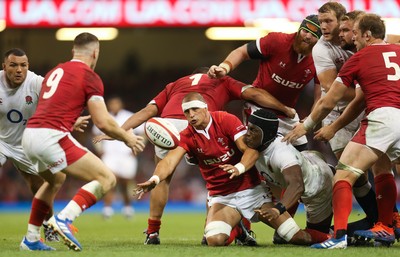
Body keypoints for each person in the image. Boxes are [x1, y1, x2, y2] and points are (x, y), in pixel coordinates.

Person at [94, 67, 296, 245]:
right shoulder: (221, 79)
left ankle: (153, 231)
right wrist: (285, 109)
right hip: (204, 124)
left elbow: (148, 111)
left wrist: (119, 132)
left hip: (169, 127)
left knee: (163, 177)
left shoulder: (175, 84)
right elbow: (254, 94)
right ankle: (233, 225)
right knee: (224, 168)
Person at [134, 92, 314, 246]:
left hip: (252, 192)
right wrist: (155, 179)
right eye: (187, 112)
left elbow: (250, 150)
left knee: (296, 237)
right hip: (222, 197)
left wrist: (239, 168)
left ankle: (331, 237)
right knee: (214, 240)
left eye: (195, 109)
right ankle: (239, 229)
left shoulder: (225, 119)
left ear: (205, 108)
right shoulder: (187, 135)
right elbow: (169, 161)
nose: (191, 115)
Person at [21, 32, 145, 251]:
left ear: (72, 52)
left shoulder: (54, 71)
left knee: (54, 180)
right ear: (96, 53)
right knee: (106, 178)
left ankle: (31, 238)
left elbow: (52, 107)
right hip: (51, 136)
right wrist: (128, 137)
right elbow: (103, 121)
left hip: (30, 135)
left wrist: (70, 122)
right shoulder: (89, 76)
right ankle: (64, 219)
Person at [283, 13, 399, 249]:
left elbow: (329, 100)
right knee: (383, 167)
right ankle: (386, 226)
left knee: (343, 175)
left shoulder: (359, 58)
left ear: (367, 35)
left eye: (354, 33)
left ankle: (339, 237)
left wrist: (305, 126)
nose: (352, 39)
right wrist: (335, 127)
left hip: (383, 116)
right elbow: (358, 100)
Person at [0, 48, 91, 251]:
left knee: (41, 183)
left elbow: (58, 101)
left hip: (25, 142)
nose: (19, 70)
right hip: (0, 139)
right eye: (13, 65)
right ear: (4, 66)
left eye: (23, 65)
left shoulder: (36, 83)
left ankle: (49, 225)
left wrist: (72, 120)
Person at [208, 14, 322, 151]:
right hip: (258, 107)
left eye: (314, 35)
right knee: (268, 151)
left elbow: (319, 97)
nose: (308, 36)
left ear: (320, 39)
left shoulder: (320, 58)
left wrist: (308, 122)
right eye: (305, 31)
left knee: (303, 154)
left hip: (288, 114)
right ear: (299, 29)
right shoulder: (277, 41)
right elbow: (242, 52)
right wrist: (224, 68)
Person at [311, 3, 380, 232]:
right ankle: (378, 218)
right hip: (336, 113)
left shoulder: (360, 40)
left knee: (382, 167)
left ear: (345, 23)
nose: (324, 27)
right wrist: (371, 91)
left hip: (365, 109)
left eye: (328, 21)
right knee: (353, 172)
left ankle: (385, 221)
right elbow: (331, 88)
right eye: (320, 22)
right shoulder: (322, 49)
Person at [242, 108, 333, 245]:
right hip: (307, 163)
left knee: (314, 237)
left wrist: (277, 210)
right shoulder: (256, 142)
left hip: (318, 186)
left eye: (253, 130)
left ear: (265, 133)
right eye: (248, 128)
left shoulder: (281, 153)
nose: (247, 134)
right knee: (282, 238)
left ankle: (343, 235)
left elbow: (297, 186)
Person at [92, 96, 145, 219]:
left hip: (126, 154)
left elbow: (143, 131)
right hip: (110, 155)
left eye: (116, 104)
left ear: (120, 105)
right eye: (112, 104)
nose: (114, 106)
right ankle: (107, 208)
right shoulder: (104, 117)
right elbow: (95, 133)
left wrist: (137, 147)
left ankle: (127, 207)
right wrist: (101, 150)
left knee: (125, 183)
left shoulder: (128, 116)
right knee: (110, 180)